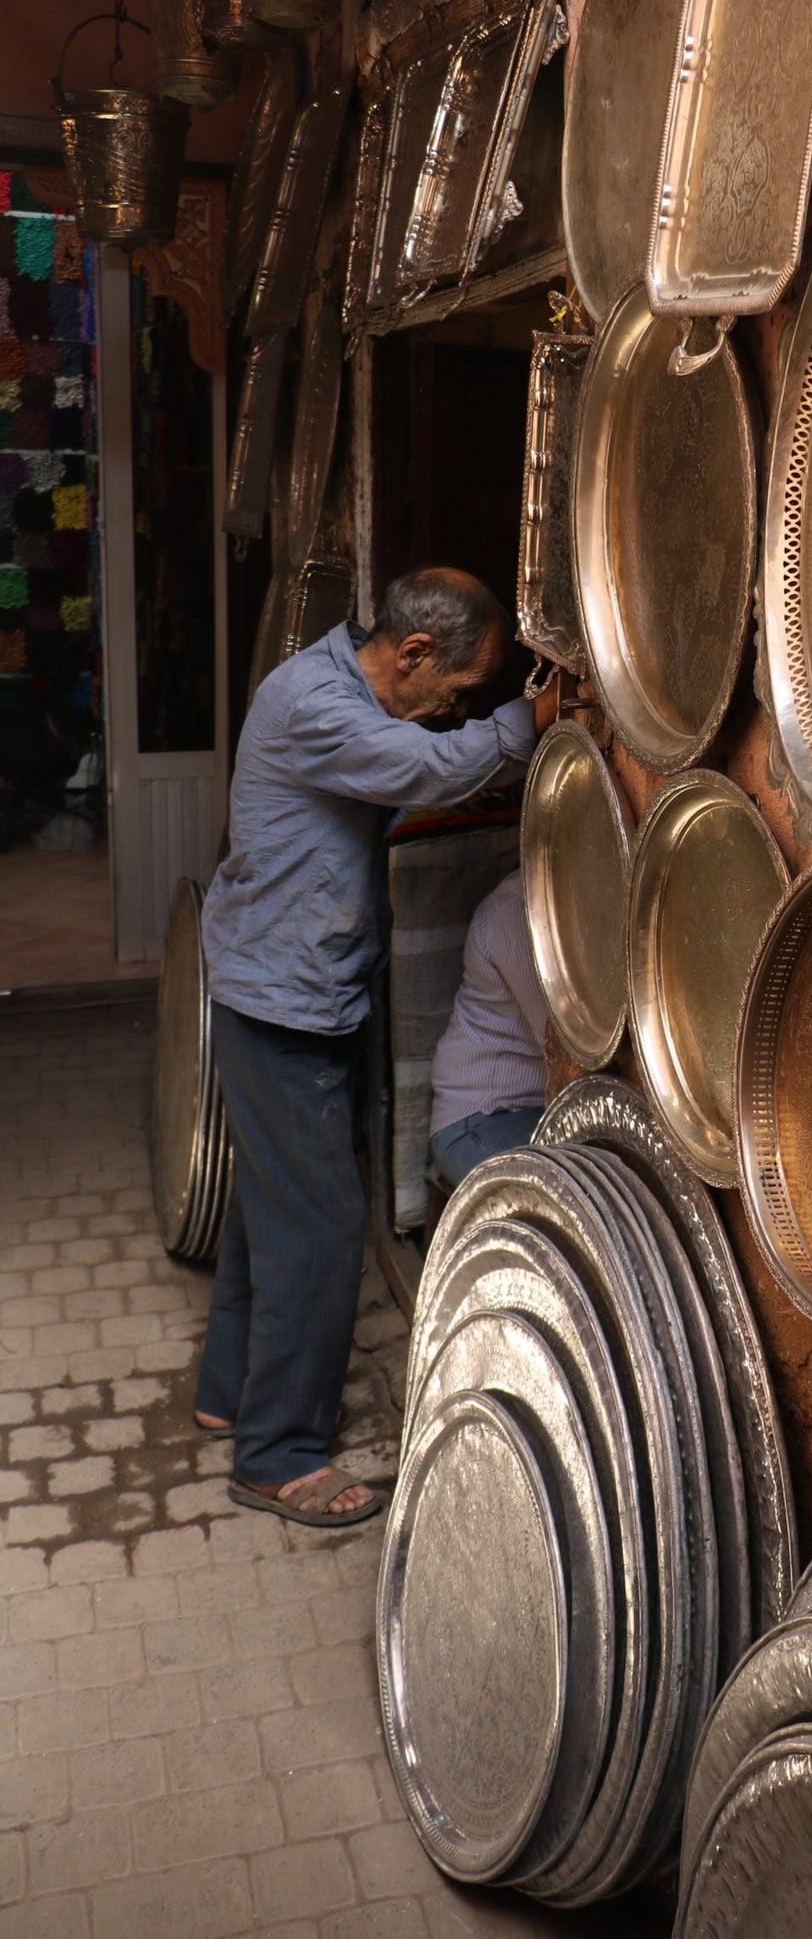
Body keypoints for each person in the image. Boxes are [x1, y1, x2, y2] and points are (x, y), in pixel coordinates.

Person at [194, 568, 556, 1528]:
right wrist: (530, 718)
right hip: (281, 1004)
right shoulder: (314, 704)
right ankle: (277, 1454)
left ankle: (227, 1391)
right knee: (319, 1229)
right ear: (412, 654)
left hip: (278, 989)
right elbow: (430, 769)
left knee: (265, 1211)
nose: (456, 707)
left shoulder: (334, 683)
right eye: (458, 688)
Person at [427, 867, 548, 1192]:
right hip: (481, 1119)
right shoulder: (516, 910)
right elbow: (565, 1044)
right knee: (567, 1201)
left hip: (539, 1111)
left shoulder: (574, 902)